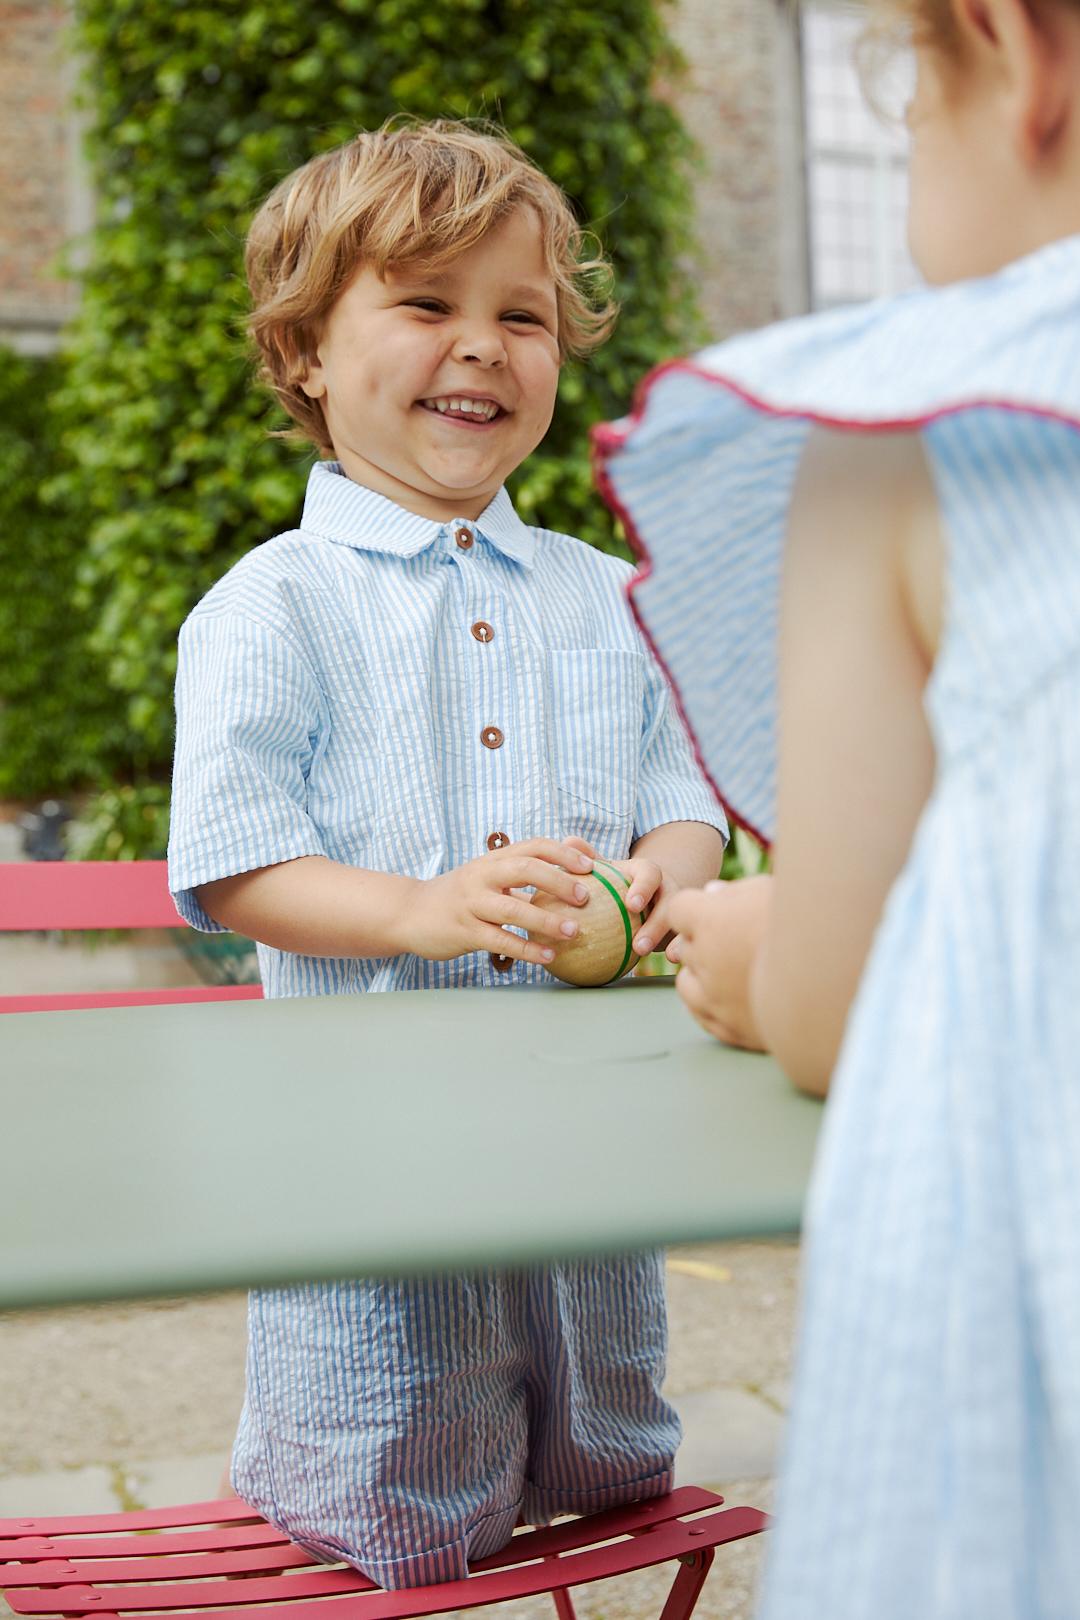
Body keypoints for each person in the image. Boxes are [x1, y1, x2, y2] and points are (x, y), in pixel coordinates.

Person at [166, 119, 726, 1589]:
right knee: (391, 1419)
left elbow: (686, 795)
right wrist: (419, 908)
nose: (480, 347)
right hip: (373, 1143)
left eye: (520, 316)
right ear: (303, 351)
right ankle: (388, 1526)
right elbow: (236, 858)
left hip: (587, 1134)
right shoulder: (270, 608)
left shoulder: (612, 596)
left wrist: (662, 885)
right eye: (426, 305)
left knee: (592, 1380)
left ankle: (580, 1475)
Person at [594, 0, 1080, 1613]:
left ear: (1022, 57)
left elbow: (838, 988)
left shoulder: (912, 437)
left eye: (901, 102)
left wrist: (747, 945)